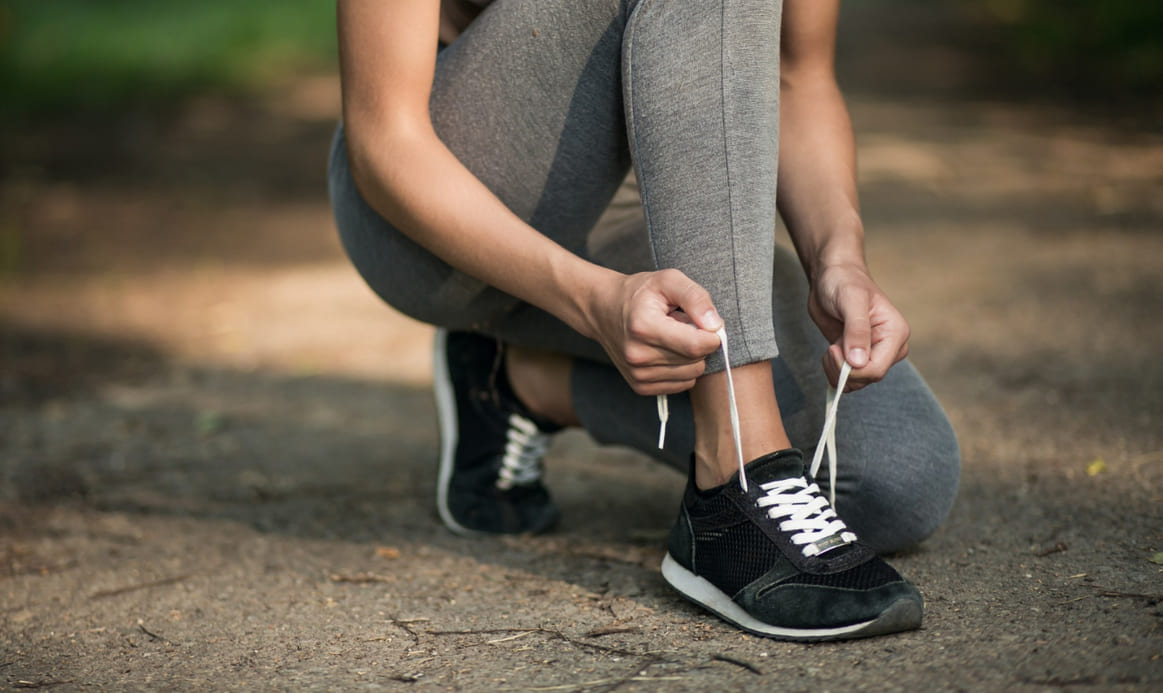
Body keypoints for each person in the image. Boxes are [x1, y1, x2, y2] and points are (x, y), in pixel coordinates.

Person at [327, 0, 960, 641]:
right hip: (435, 217)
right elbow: (385, 139)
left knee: (897, 477)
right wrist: (589, 299)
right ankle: (737, 472)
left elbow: (799, 77)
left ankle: (513, 382)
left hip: (638, 211)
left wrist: (837, 255)